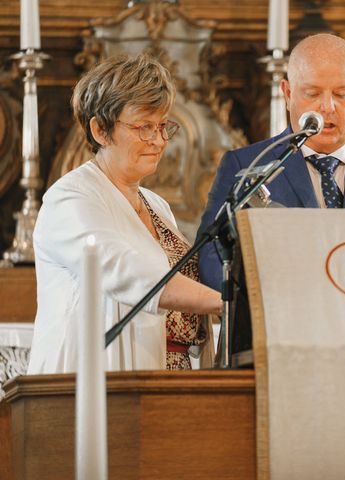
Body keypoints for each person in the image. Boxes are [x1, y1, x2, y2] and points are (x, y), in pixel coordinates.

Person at [28, 54, 222, 374]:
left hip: (174, 382)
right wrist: (225, 302)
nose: (159, 141)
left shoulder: (156, 205)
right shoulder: (70, 198)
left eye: (162, 126)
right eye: (144, 127)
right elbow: (127, 272)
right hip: (102, 385)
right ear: (100, 130)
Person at [197, 33, 345, 290]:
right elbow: (211, 260)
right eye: (313, 93)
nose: (327, 107)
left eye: (342, 94)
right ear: (287, 93)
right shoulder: (244, 166)